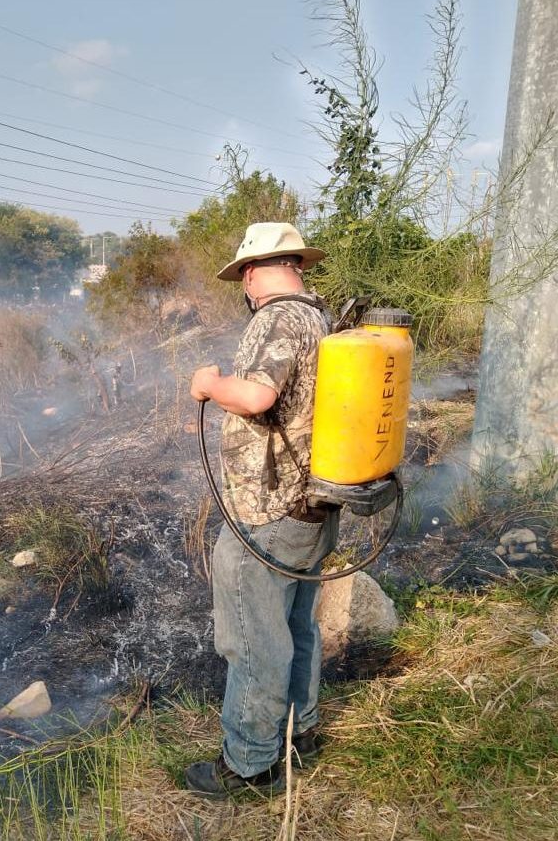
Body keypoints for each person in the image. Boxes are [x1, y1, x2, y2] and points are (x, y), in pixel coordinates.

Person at [186, 222, 340, 799]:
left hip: (269, 513)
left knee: (252, 636)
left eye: (244, 276)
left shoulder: (275, 318)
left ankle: (251, 763)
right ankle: (300, 734)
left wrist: (209, 384)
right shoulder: (319, 318)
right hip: (312, 506)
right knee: (296, 624)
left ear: (251, 273)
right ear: (296, 263)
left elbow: (256, 397)